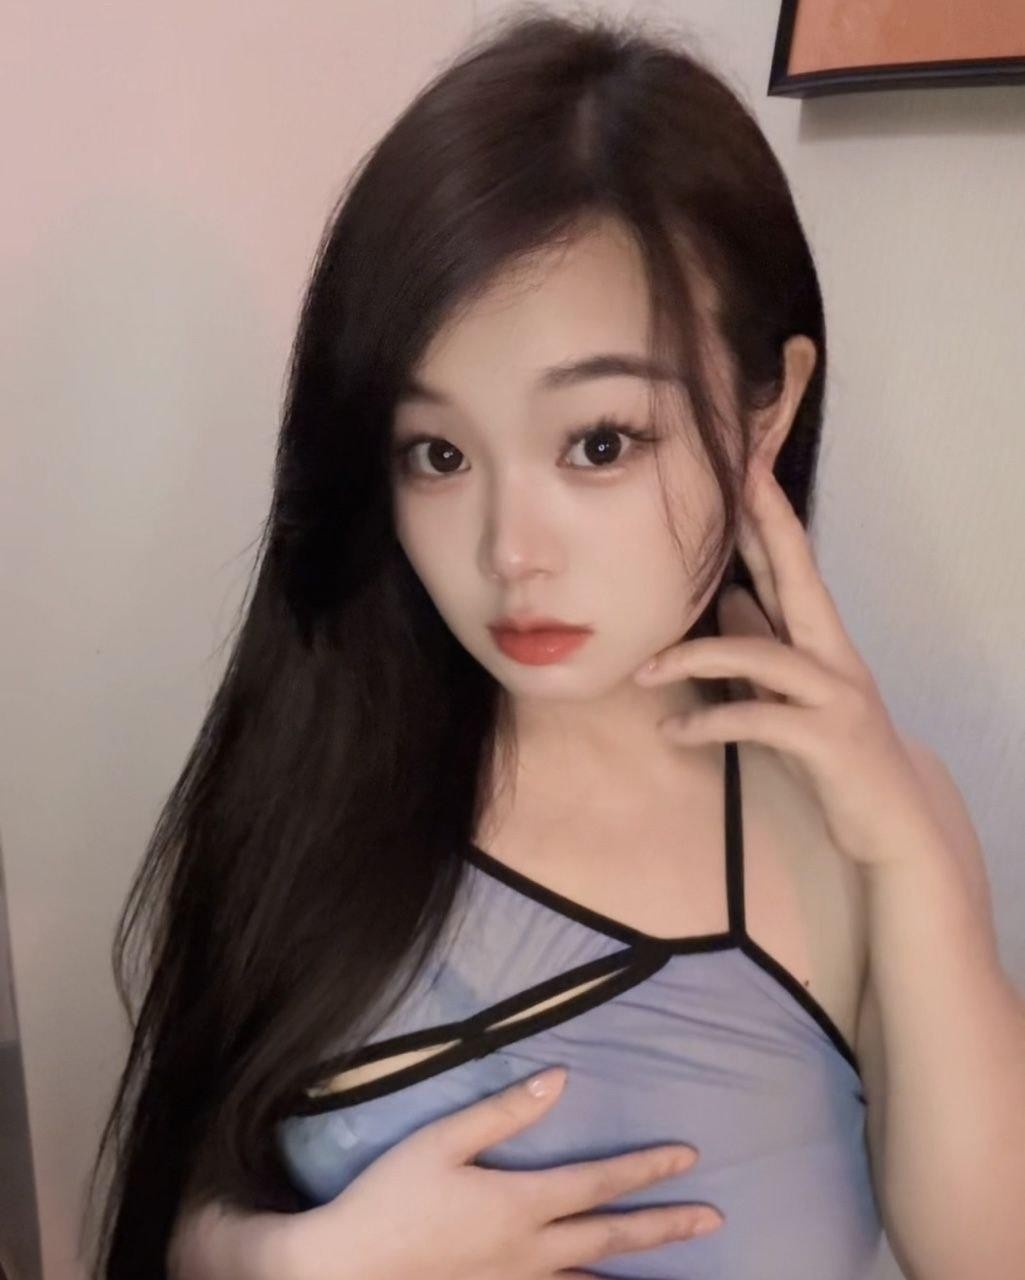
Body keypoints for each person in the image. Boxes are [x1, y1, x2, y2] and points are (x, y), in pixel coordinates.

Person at [85, 8, 1025, 1280]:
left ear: (767, 406)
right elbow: (183, 1208)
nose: (507, 551)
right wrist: (303, 1264)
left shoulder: (869, 827)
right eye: (438, 452)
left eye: (596, 441)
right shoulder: (314, 771)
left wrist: (908, 854)